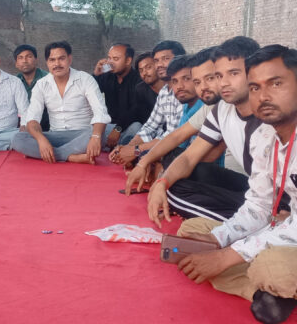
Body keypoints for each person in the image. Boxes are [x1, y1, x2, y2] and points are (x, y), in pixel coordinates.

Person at [175, 44, 297, 324]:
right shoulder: (265, 137)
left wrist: (228, 256)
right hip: (285, 225)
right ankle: (267, 293)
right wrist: (218, 239)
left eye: (276, 83)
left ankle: (267, 283)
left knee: (272, 267)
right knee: (194, 232)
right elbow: (259, 205)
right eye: (255, 87)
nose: (263, 96)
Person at [147, 36, 275, 225]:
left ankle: (258, 224)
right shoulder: (222, 109)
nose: (223, 83)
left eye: (233, 73)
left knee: (174, 194)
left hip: (279, 198)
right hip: (252, 189)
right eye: (219, 76)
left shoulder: (274, 113)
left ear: (254, 72)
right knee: (173, 184)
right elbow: (189, 157)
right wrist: (162, 183)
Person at [125, 47, 226, 194]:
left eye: (187, 79)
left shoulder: (215, 105)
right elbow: (175, 137)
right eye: (174, 81)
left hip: (222, 177)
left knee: (180, 177)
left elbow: (202, 157)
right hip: (194, 163)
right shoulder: (198, 107)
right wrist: (144, 162)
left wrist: (162, 172)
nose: (179, 87)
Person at [11, 41, 110, 164]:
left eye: (61, 59)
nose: (57, 64)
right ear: (47, 62)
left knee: (100, 134)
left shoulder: (85, 79)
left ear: (70, 59)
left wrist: (95, 137)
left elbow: (100, 112)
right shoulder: (41, 84)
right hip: (55, 135)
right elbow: (32, 119)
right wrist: (41, 140)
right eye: (52, 60)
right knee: (18, 138)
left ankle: (55, 154)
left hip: (82, 134)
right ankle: (71, 156)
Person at [110, 41, 186, 165]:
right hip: (162, 142)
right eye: (156, 61)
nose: (160, 64)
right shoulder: (164, 92)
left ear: (180, 59)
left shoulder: (184, 91)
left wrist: (135, 151)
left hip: (183, 151)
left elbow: (173, 137)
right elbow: (150, 126)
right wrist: (128, 148)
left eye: (165, 59)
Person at [94, 43, 143, 148]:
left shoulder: (138, 79)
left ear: (128, 61)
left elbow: (136, 110)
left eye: (115, 59)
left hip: (127, 127)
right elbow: (92, 93)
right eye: (109, 58)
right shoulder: (107, 76)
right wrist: (96, 75)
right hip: (109, 126)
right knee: (92, 129)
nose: (110, 62)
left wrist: (118, 129)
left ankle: (119, 148)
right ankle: (114, 147)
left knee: (137, 127)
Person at [14, 44, 50, 131]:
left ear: (36, 60)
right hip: (23, 125)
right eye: (20, 58)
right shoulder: (15, 81)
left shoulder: (47, 78)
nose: (24, 61)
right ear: (16, 64)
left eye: (29, 57)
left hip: (46, 126)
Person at [134, 51, 163, 123]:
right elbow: (145, 118)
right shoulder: (140, 90)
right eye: (141, 70)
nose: (144, 73)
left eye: (148, 67)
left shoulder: (172, 86)